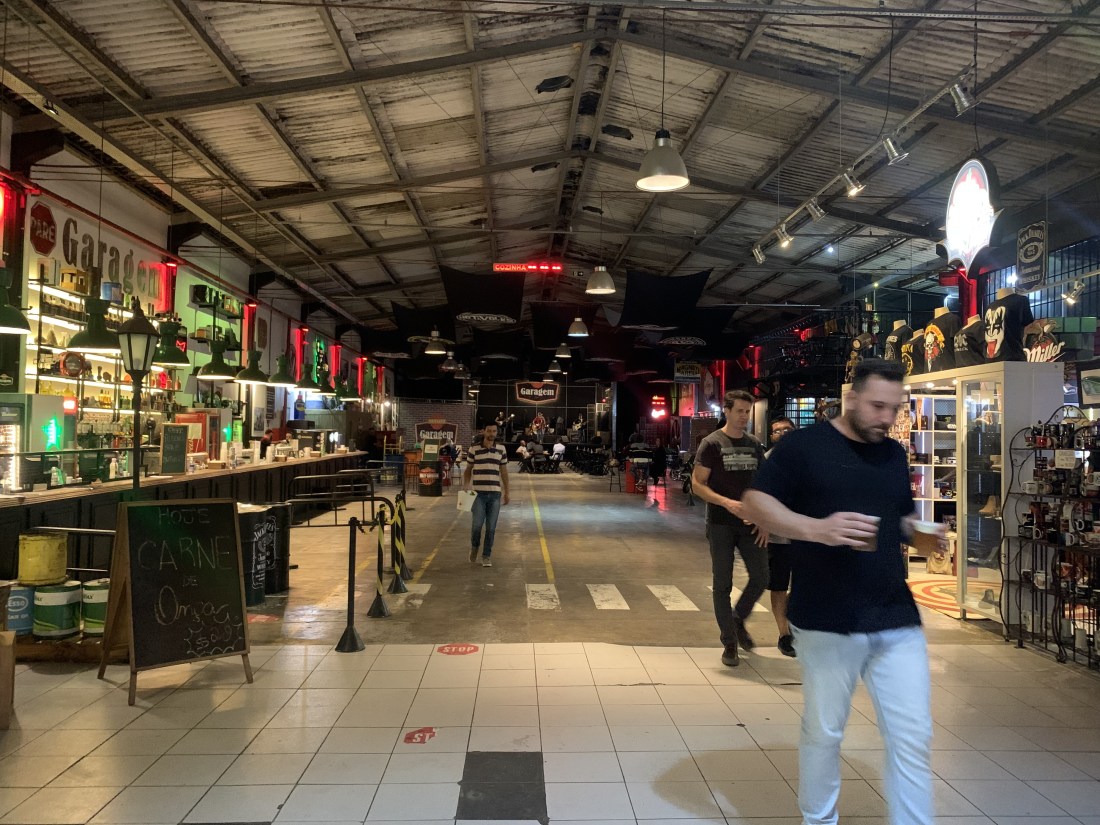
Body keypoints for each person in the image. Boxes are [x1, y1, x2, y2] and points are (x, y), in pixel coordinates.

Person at [743, 359, 941, 825]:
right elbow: (755, 503)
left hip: (894, 615)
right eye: (876, 406)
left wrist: (921, 533)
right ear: (850, 399)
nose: (886, 418)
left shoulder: (892, 455)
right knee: (825, 731)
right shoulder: (803, 447)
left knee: (913, 736)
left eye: (894, 408)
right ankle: (819, 819)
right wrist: (817, 529)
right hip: (826, 618)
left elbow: (899, 518)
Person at [691, 390, 769, 667]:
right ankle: (729, 641)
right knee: (722, 583)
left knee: (761, 577)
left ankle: (737, 619)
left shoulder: (754, 444)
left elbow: (763, 486)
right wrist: (726, 503)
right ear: (726, 411)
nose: (744, 416)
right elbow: (697, 484)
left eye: (748, 411)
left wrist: (764, 519)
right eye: (740, 411)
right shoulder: (712, 444)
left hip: (751, 523)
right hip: (721, 523)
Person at [765, 417, 797, 657]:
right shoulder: (767, 461)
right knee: (779, 586)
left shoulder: (812, 459)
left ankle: (799, 628)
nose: (783, 434)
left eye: (787, 429)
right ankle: (784, 634)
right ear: (772, 437)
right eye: (778, 431)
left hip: (806, 534)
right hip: (778, 537)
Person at [462, 424, 510, 567]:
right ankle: (475, 546)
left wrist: (507, 491)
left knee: (491, 528)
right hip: (478, 494)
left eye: (494, 431)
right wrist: (466, 484)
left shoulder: (501, 449)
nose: (491, 434)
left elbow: (504, 472)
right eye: (489, 431)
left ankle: (486, 556)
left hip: (495, 494)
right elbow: (468, 469)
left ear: (496, 433)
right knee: (477, 525)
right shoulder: (474, 449)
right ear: (484, 432)